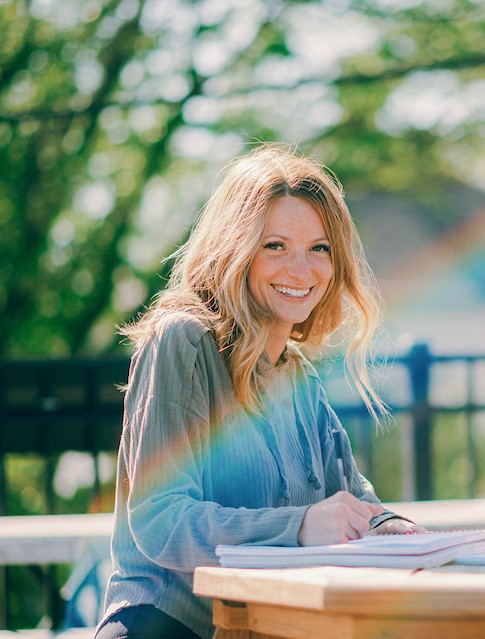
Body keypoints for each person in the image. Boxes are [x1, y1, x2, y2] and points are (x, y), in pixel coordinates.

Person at [95, 144, 423, 639]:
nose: (301, 269)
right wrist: (300, 527)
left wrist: (392, 527)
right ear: (235, 250)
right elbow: (161, 520)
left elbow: (357, 502)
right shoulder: (183, 341)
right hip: (165, 628)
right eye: (275, 246)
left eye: (320, 248)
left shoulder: (299, 377)